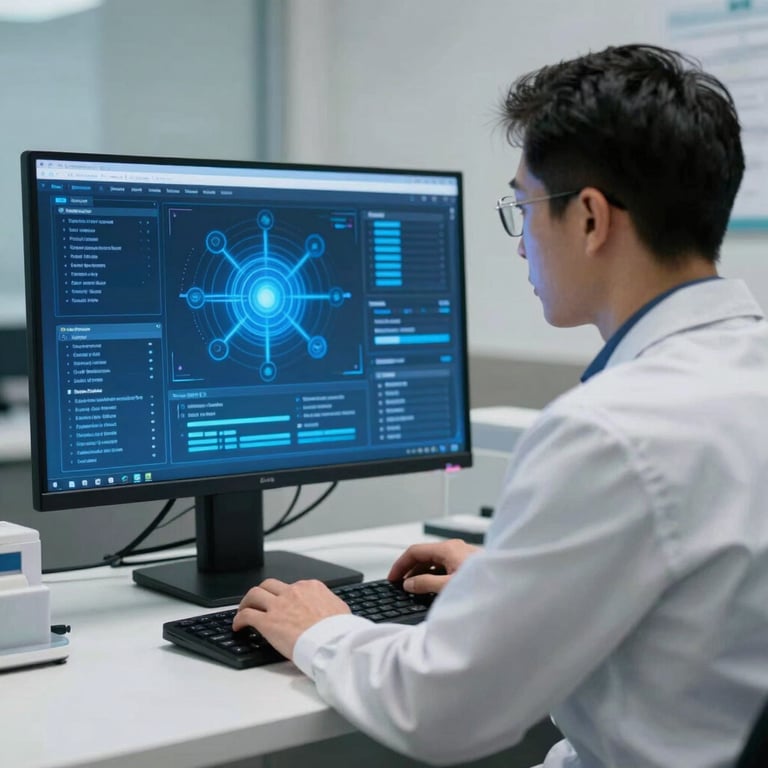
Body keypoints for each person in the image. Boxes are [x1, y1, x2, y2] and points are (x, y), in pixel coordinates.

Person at [233, 44, 768, 768]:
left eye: (523, 207)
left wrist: (320, 629)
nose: (521, 247)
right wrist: (515, 580)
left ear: (589, 219)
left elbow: (439, 711)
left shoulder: (613, 431)